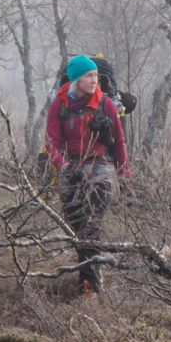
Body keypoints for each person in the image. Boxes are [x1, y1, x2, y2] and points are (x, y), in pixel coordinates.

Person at [45, 54, 131, 295]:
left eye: (95, 75)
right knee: (78, 224)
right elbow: (51, 142)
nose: (94, 80)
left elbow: (120, 141)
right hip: (70, 167)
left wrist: (124, 173)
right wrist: (63, 166)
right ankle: (92, 273)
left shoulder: (106, 104)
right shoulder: (59, 104)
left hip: (100, 167)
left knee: (91, 222)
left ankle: (89, 284)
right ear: (75, 80)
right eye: (88, 76)